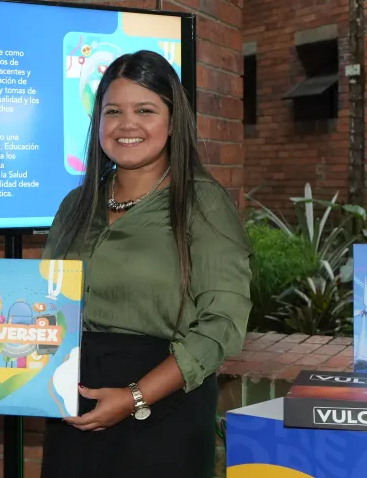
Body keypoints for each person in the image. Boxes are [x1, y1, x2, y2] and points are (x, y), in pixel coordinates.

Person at [40, 50, 253, 478]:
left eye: (145, 110)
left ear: (173, 122)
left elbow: (222, 324)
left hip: (164, 412)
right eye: (113, 111)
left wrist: (135, 397)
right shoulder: (75, 206)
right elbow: (45, 310)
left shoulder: (203, 204)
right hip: (73, 410)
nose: (127, 124)